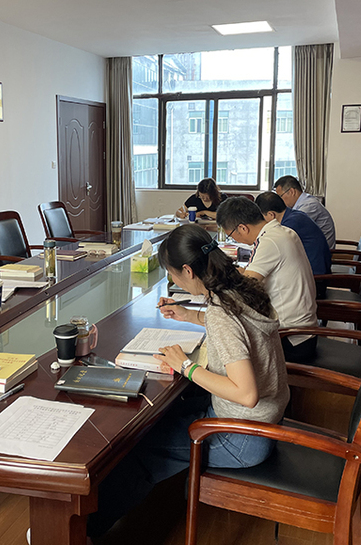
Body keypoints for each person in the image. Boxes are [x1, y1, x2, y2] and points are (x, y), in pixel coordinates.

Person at [87, 224, 289, 539]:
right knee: (158, 416)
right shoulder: (242, 288)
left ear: (188, 271)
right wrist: (189, 316)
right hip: (262, 421)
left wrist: (184, 366)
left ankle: (84, 530)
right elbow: (237, 325)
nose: (173, 281)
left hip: (241, 436)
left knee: (137, 447)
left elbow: (246, 394)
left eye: (173, 275)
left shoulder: (222, 312)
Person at [216, 196, 318, 363]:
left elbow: (244, 288)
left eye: (231, 236)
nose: (234, 240)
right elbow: (253, 275)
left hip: (292, 339)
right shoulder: (282, 232)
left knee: (229, 345)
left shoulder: (270, 241)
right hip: (303, 331)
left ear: (242, 228)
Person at [255, 191, 332, 278]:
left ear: (271, 214)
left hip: (314, 276)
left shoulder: (290, 225)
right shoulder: (294, 215)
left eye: (262, 218)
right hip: (314, 269)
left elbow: (271, 250)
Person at [273, 175, 336, 248]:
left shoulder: (309, 205)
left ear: (292, 192)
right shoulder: (300, 204)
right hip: (310, 246)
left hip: (319, 250)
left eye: (280, 196)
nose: (280, 201)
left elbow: (288, 229)